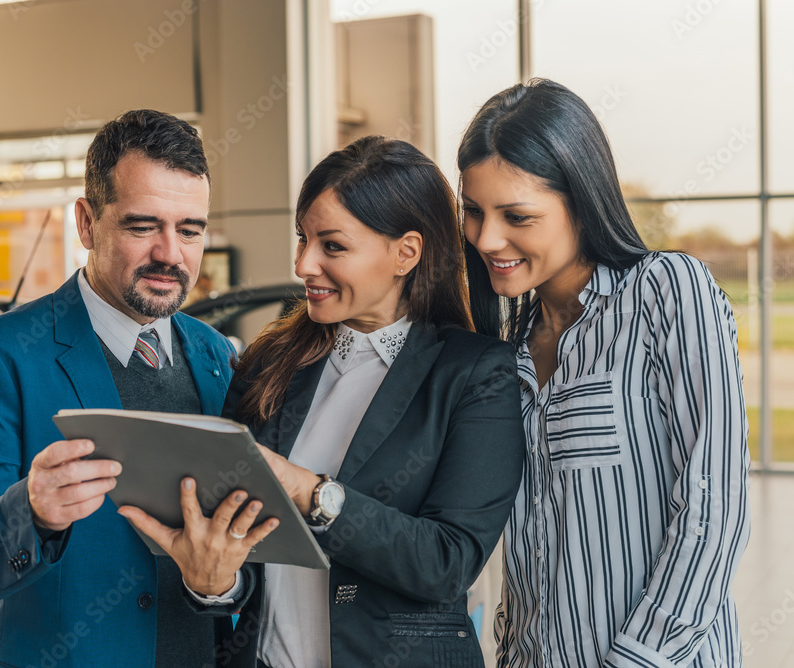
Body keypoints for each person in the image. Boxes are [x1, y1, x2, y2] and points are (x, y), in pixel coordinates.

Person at [121, 135, 527, 668]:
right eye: (302, 239)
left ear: (406, 252)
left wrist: (309, 491)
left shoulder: (474, 373)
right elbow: (234, 550)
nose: (304, 264)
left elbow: (446, 563)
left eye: (331, 246)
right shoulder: (270, 362)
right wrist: (214, 582)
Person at [0, 109, 250, 668]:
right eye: (143, 226)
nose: (170, 254)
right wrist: (30, 511)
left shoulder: (218, 357)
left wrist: (220, 586)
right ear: (86, 223)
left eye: (190, 231)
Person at [456, 78, 751, 667]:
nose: (487, 238)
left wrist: (638, 659)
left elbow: (713, 506)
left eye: (516, 215)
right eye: (473, 212)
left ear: (582, 203)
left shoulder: (667, 293)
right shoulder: (505, 352)